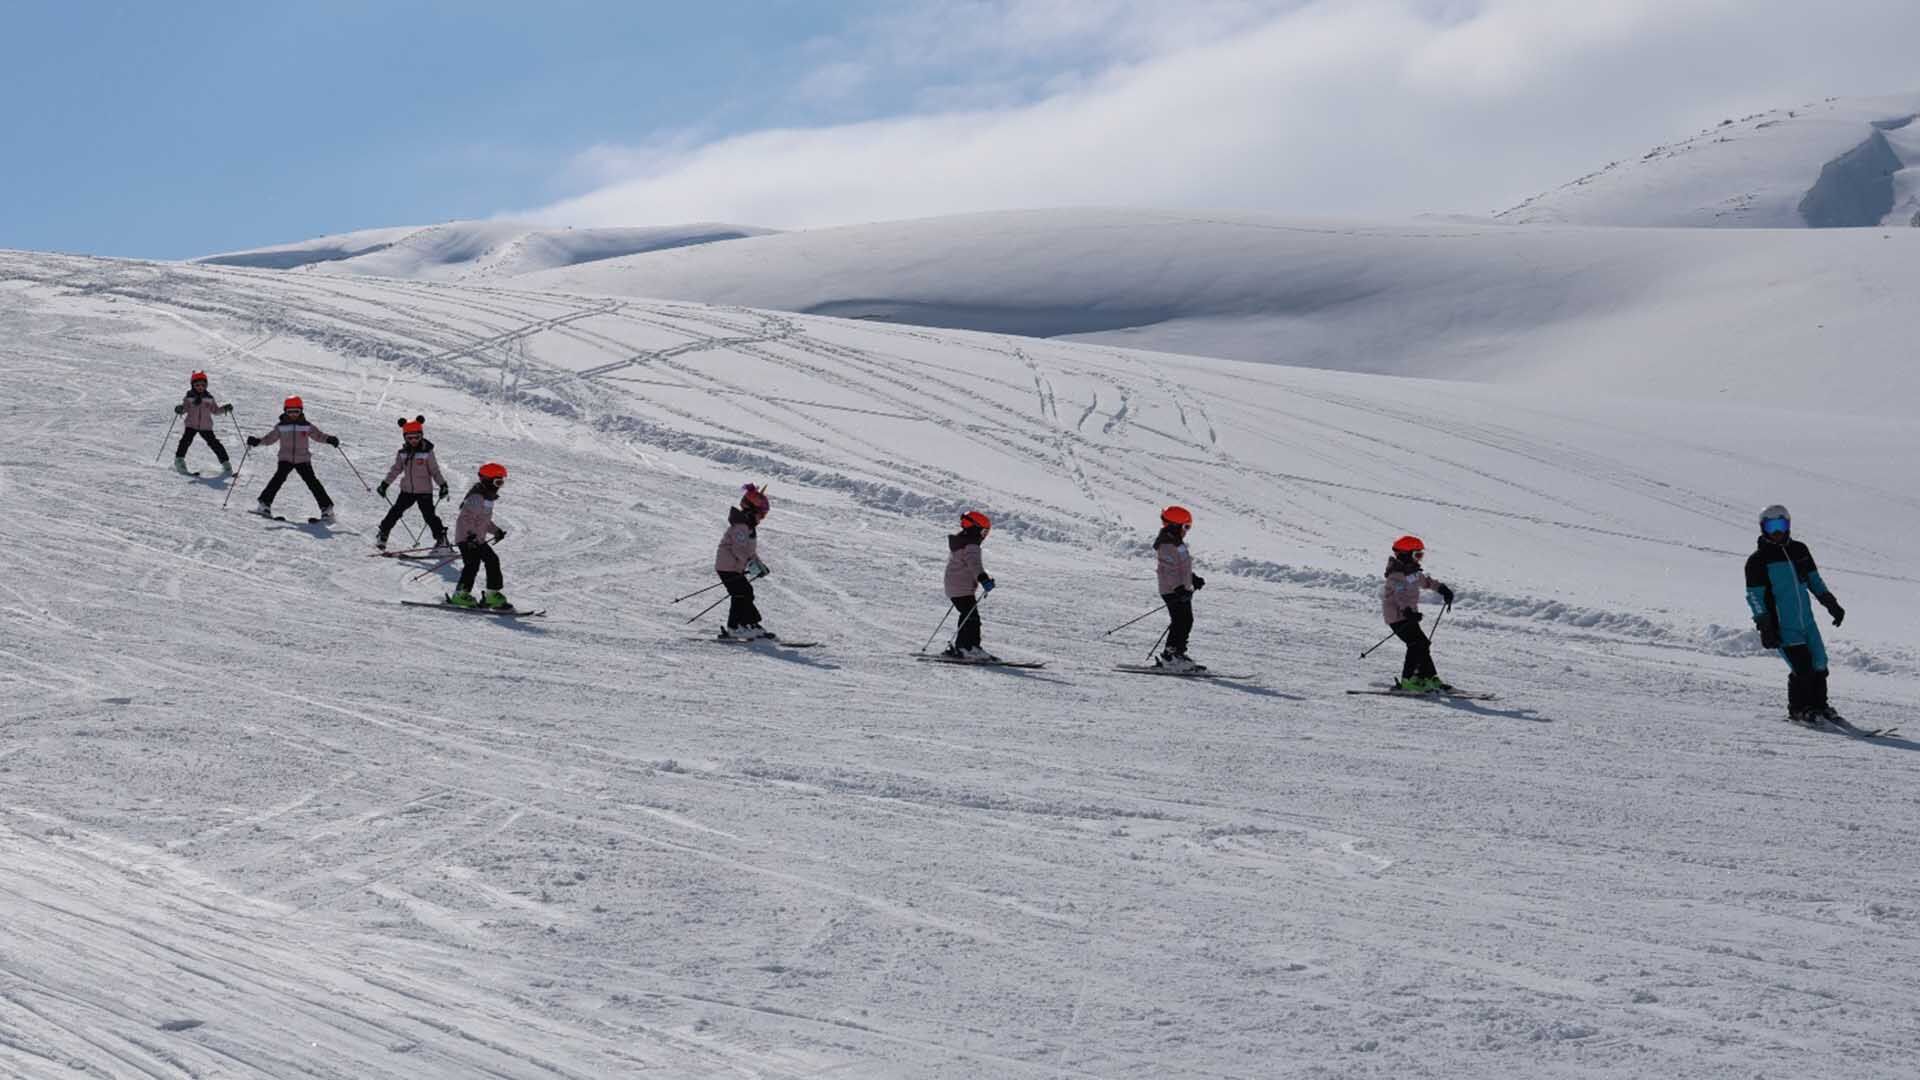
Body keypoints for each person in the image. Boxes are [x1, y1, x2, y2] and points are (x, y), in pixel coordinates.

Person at [1745, 504, 1847, 724]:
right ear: (1763, 528)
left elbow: (1813, 580)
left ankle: (1820, 706)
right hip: (1783, 624)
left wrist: (1831, 604)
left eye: (1780, 525)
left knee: (1820, 662)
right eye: (1771, 527)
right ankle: (1799, 709)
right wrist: (1765, 626)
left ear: (1788, 525)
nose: (1777, 532)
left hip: (1806, 621)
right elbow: (1754, 597)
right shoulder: (1758, 561)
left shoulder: (1799, 550)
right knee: (1802, 667)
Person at [1381, 535, 1455, 691]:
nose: (1419, 559)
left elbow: (1427, 582)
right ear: (1405, 555)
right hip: (1397, 617)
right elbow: (1399, 596)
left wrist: (1443, 589)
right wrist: (1408, 611)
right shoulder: (1396, 576)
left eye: (1421, 555)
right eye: (1417, 555)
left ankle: (1428, 677)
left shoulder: (1413, 572)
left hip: (1409, 616)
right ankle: (1408, 681)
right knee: (1416, 644)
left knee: (1423, 644)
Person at [247, 395, 338, 522]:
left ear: (301, 411)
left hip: (303, 459)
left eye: (296, 411)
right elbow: (270, 439)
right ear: (285, 411)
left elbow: (318, 436)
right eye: (290, 412)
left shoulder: (306, 426)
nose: (293, 414)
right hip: (286, 458)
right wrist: (257, 441)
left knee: (312, 482)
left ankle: (327, 509)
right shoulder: (281, 426)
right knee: (278, 479)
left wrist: (329, 439)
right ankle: (264, 504)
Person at [374, 416, 450, 552]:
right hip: (407, 490)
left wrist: (443, 485)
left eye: (416, 437)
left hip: (424, 491)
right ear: (405, 438)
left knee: (429, 515)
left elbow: (435, 471)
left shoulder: (427, 453)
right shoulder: (402, 453)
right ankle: (383, 533)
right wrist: (385, 484)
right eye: (410, 438)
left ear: (421, 436)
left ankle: (441, 538)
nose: (414, 440)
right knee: (395, 511)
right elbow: (396, 470)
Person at [713, 484, 773, 640]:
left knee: (745, 592)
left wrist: (759, 565)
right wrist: (751, 564)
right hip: (727, 567)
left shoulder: (748, 527)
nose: (762, 518)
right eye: (761, 514)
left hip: (733, 567)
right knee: (741, 593)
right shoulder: (741, 526)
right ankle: (735, 627)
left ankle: (750, 624)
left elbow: (749, 552)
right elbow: (739, 550)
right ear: (751, 511)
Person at [449, 462, 511, 609]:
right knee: (472, 564)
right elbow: (466, 518)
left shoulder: (488, 498)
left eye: (501, 482)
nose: (499, 486)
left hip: (478, 539)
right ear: (487, 480)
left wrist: (496, 531)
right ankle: (460, 595)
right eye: (498, 482)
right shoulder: (477, 497)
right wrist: (469, 536)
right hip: (467, 539)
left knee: (492, 560)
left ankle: (492, 594)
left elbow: (484, 521)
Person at [1154, 506, 1207, 671]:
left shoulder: (1176, 543)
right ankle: (1171, 656)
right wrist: (1178, 588)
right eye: (1186, 527)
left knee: (1185, 621)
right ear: (1175, 526)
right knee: (1180, 621)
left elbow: (1181, 566)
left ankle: (1176, 653)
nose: (1187, 531)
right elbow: (1169, 570)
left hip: (1180, 590)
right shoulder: (1167, 545)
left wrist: (1192, 578)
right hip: (1172, 591)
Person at [942, 510, 998, 660]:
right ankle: (968, 648)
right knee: (972, 619)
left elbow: (968, 565)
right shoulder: (971, 545)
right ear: (976, 528)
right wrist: (983, 579)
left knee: (968, 616)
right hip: (961, 588)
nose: (984, 535)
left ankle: (963, 647)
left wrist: (983, 577)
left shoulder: (962, 542)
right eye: (984, 531)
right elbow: (974, 565)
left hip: (955, 586)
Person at [172, 371, 234, 475]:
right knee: (185, 442)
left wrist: (224, 409)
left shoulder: (209, 398)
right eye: (197, 385)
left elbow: (215, 411)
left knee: (215, 444)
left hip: (206, 426)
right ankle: (179, 461)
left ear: (206, 385)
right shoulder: (189, 398)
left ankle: (226, 464)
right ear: (192, 385)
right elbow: (185, 409)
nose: (200, 387)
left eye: (203, 385)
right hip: (191, 425)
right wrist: (180, 409)